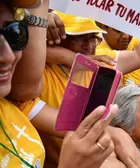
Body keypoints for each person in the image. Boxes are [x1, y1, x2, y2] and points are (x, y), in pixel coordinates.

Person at [0, 1, 116, 168]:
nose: (8, 56)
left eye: (15, 34)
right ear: (55, 40)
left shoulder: (10, 107)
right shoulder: (40, 81)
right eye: (81, 38)